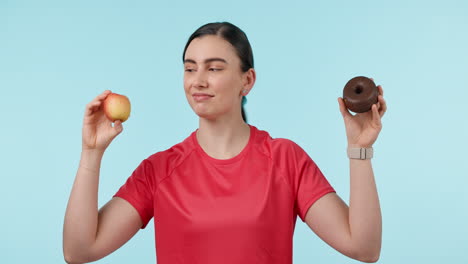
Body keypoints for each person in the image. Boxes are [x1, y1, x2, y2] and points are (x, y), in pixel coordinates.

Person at [63, 22, 387, 264]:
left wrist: (359, 150)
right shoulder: (158, 170)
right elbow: (79, 250)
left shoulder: (285, 159)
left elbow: (363, 246)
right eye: (190, 69)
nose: (198, 81)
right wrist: (91, 153)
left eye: (214, 68)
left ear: (247, 80)